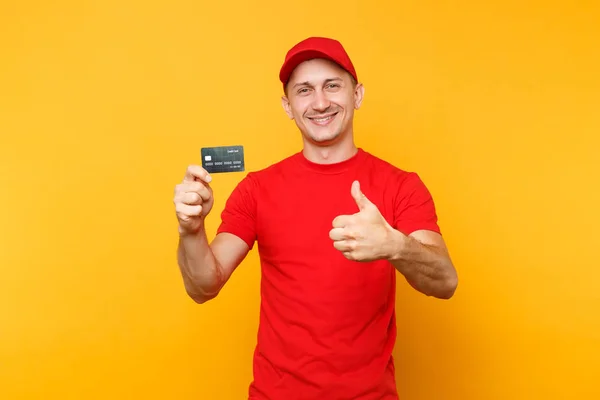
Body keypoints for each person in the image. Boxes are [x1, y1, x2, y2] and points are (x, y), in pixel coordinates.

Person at [173, 36, 458, 400]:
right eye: (304, 90)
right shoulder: (256, 189)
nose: (320, 102)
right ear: (287, 106)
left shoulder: (401, 186)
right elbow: (203, 286)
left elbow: (445, 282)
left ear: (357, 95)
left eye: (332, 86)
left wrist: (395, 245)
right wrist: (191, 229)